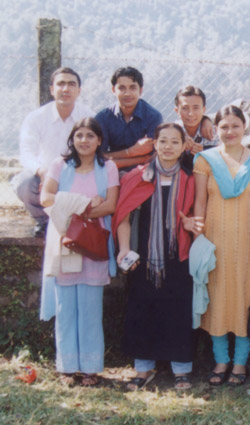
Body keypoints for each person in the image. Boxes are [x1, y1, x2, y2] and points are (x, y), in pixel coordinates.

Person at [113, 123, 199, 391]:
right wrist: (124, 249)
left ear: (184, 146)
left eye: (175, 141)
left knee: (178, 310)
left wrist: (192, 225)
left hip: (179, 254)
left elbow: (200, 216)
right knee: (141, 308)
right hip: (144, 256)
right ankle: (143, 367)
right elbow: (124, 217)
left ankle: (181, 369)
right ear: (154, 144)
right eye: (163, 141)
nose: (168, 147)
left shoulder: (191, 178)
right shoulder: (137, 176)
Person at [39, 117, 120, 387]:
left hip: (93, 243)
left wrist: (72, 210)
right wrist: (85, 206)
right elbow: (46, 198)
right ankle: (67, 367)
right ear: (72, 139)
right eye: (79, 135)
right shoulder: (60, 165)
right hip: (65, 242)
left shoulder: (108, 167)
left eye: (90, 136)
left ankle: (90, 368)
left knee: (89, 308)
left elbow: (110, 206)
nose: (84, 140)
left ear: (99, 140)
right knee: (65, 307)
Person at [192, 106, 250, 386]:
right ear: (216, 129)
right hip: (215, 242)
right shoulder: (206, 159)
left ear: (245, 127)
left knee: (246, 299)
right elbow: (200, 201)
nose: (230, 131)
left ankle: (240, 363)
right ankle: (221, 360)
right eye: (224, 126)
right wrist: (198, 238)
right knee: (217, 298)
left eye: (235, 125)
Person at [14, 67, 95, 237]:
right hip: (43, 175)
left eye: (71, 84)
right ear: (52, 89)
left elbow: (95, 150)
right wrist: (42, 171)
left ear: (79, 91)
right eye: (61, 84)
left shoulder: (88, 116)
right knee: (23, 184)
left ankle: (74, 221)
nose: (66, 89)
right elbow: (27, 152)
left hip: (76, 174)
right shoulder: (36, 117)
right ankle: (43, 221)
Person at [95, 67, 163, 172]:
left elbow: (152, 158)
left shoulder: (153, 117)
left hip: (143, 173)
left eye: (132, 88)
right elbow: (99, 158)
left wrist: (116, 159)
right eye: (122, 88)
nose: (127, 93)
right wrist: (131, 152)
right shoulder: (103, 118)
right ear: (113, 90)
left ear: (140, 90)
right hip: (110, 172)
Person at [174, 86, 218, 153]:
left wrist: (205, 154)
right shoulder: (173, 132)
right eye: (185, 108)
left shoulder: (213, 133)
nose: (190, 114)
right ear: (177, 111)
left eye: (196, 108)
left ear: (203, 110)